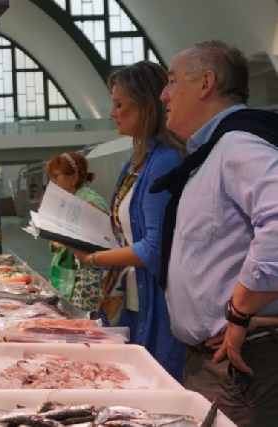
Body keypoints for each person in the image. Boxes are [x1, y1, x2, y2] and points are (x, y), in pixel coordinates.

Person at [151, 40, 278, 425]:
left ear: (205, 83)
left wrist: (239, 312)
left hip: (240, 361)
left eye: (172, 81)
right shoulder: (214, 151)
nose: (164, 94)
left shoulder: (239, 144)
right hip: (217, 360)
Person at [67, 61, 187, 382]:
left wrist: (93, 257)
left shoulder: (164, 161)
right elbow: (121, 227)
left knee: (152, 387)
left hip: (156, 305)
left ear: (147, 105)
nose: (112, 112)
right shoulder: (136, 162)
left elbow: (152, 249)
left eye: (119, 104)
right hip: (130, 299)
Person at [45, 152, 108, 314]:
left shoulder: (91, 201)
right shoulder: (67, 200)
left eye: (56, 177)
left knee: (81, 320)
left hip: (85, 277)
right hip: (68, 274)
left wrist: (67, 241)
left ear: (73, 177)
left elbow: (104, 242)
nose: (52, 182)